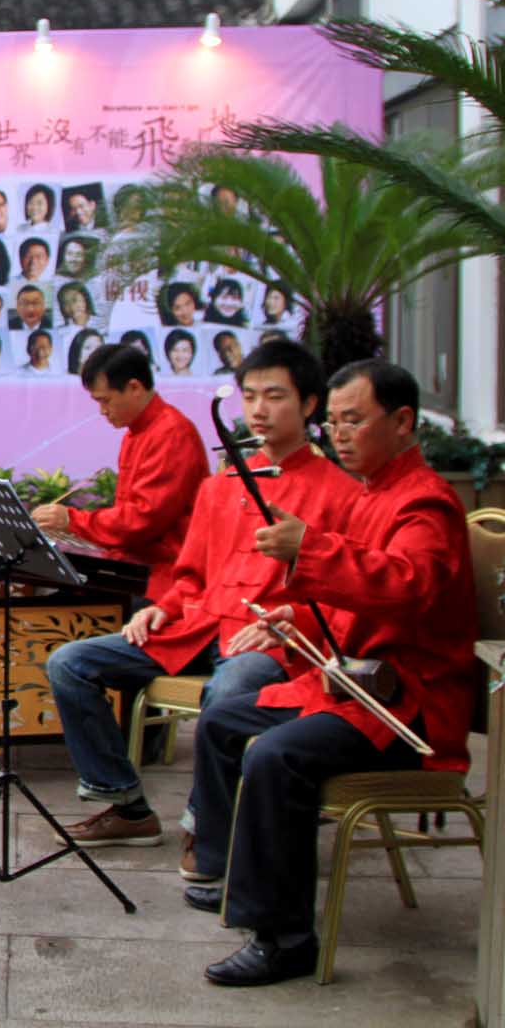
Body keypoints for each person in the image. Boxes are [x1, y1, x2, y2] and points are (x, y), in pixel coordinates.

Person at [184, 360, 477, 986]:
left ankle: (284, 939)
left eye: (354, 421)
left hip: (406, 705)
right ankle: (226, 874)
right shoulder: (372, 493)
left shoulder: (425, 502)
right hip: (355, 687)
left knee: (277, 756)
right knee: (223, 721)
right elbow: (353, 603)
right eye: (335, 422)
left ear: (402, 422)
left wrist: (310, 549)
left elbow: (408, 585)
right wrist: (295, 616)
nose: (339, 434)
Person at [44, 339, 360, 849]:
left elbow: (346, 590)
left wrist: (292, 620)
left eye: (274, 396)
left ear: (308, 404)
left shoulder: (340, 491)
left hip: (268, 638)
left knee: (229, 691)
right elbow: (192, 574)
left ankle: (206, 823)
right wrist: (164, 608)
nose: (258, 409)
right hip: (201, 625)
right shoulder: (225, 483)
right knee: (70, 663)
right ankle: (124, 802)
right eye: (250, 396)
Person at [33, 344, 207, 603]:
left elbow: (142, 520)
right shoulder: (136, 432)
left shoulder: (172, 433)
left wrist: (73, 521)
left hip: (161, 580)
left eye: (105, 400)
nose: (102, 411)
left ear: (134, 387)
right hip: (133, 569)